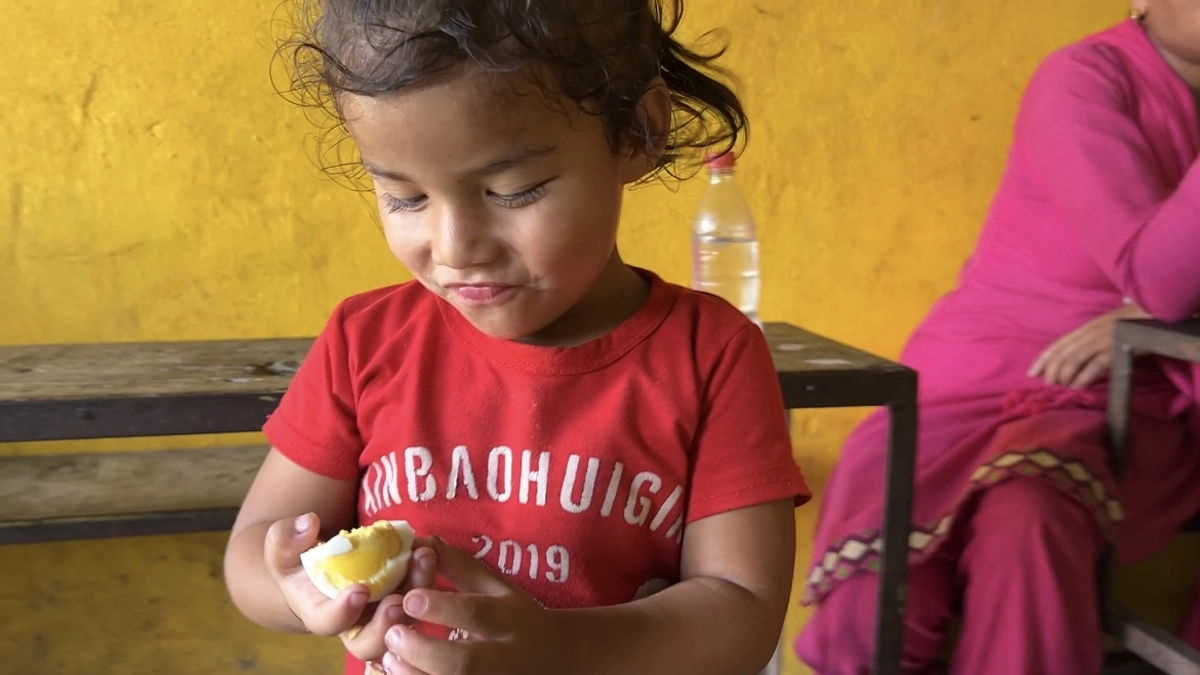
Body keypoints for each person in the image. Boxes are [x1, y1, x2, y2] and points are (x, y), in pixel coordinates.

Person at [221, 2, 811, 674]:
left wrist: (562, 648)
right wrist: (299, 590)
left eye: (514, 190)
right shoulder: (366, 341)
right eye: (405, 197)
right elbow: (250, 554)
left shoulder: (711, 355)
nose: (455, 248)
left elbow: (742, 610)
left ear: (638, 133)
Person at [796, 5, 1200, 674]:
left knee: (1030, 515)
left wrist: (1152, 323)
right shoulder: (1083, 77)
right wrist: (1153, 308)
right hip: (979, 373)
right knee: (881, 571)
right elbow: (1156, 272)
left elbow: (1160, 286)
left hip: (1128, 396)